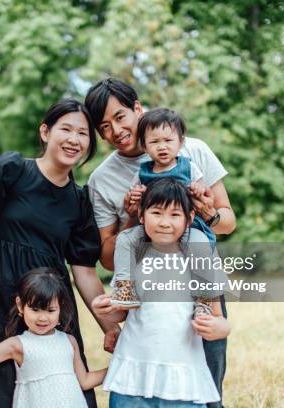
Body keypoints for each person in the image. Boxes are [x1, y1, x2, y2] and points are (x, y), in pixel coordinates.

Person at [0, 98, 118, 407]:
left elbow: (84, 272)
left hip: (48, 301)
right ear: (45, 132)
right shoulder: (12, 171)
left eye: (83, 133)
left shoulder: (79, 201)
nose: (74, 140)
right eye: (66, 129)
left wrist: (111, 327)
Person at [84, 78, 236, 407]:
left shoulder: (191, 149)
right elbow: (109, 257)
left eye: (121, 116)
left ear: (138, 108)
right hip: (145, 287)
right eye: (104, 127)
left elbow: (227, 223)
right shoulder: (101, 180)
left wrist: (204, 210)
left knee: (207, 382)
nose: (116, 131)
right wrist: (130, 215)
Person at [92, 178, 230, 407]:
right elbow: (122, 312)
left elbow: (220, 321)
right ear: (142, 215)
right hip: (133, 373)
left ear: (189, 219)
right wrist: (104, 310)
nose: (165, 223)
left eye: (175, 215)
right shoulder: (132, 252)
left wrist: (217, 328)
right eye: (157, 212)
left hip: (183, 378)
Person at [0, 268, 108, 408]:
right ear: (21, 306)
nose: (43, 318)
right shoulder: (19, 345)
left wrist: (119, 367)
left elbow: (85, 381)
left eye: (50, 310)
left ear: (60, 308)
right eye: (35, 309)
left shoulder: (69, 341)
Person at [110, 108, 216, 312]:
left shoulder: (188, 167)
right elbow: (136, 199)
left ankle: (203, 300)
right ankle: (125, 288)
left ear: (181, 142)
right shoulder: (143, 173)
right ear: (144, 145)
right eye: (154, 142)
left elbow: (204, 190)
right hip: (153, 230)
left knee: (200, 242)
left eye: (168, 141)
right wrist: (134, 198)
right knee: (124, 239)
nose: (162, 147)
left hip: (186, 226)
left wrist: (199, 189)